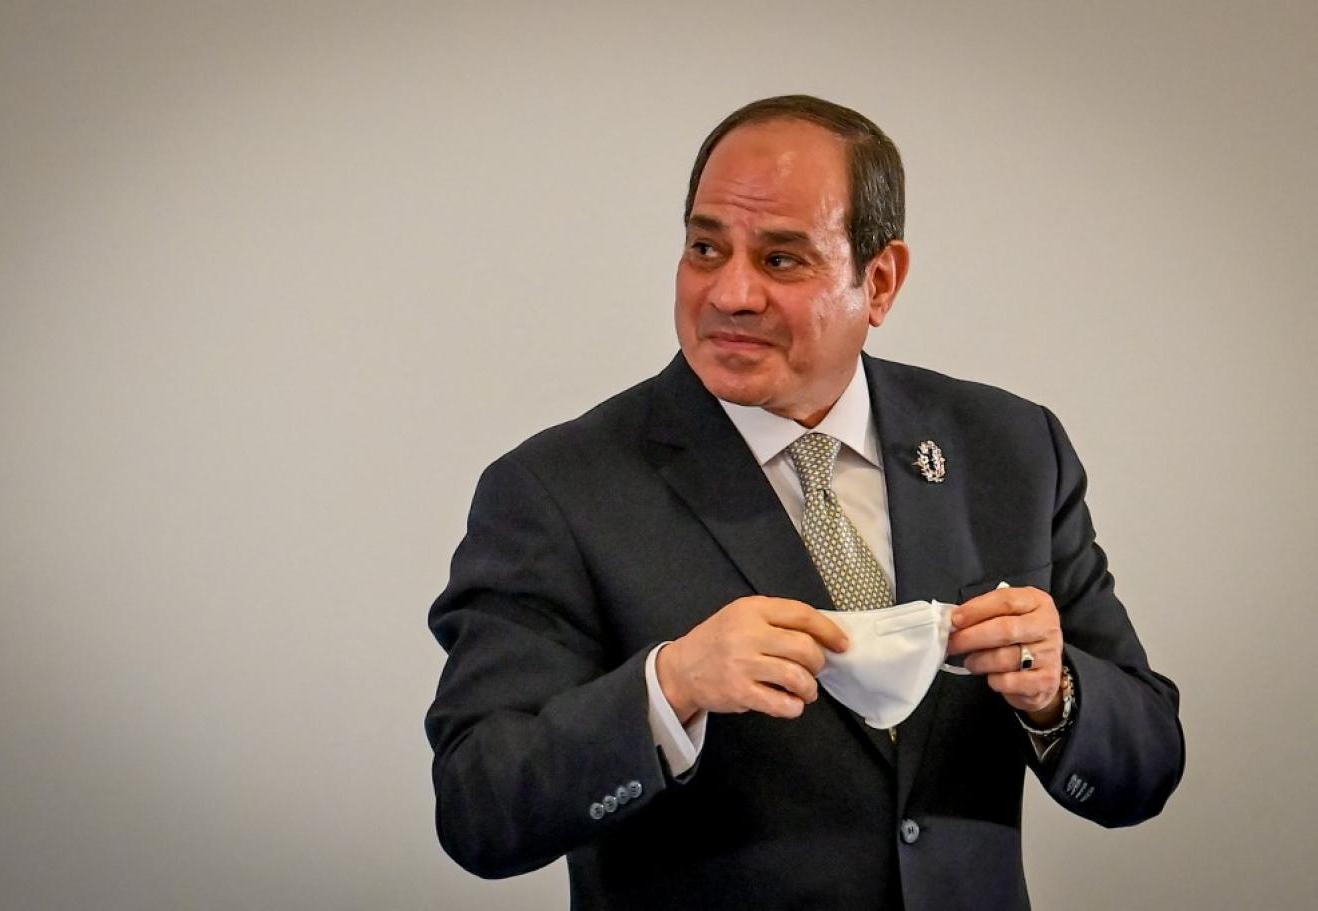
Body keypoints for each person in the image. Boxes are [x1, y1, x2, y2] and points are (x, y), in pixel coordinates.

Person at [424, 95, 1184, 910]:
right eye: (706, 248)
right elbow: (480, 808)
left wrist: (1056, 692)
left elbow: (1147, 764)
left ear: (879, 281)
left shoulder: (1011, 448)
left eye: (781, 259)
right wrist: (670, 686)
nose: (731, 292)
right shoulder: (556, 489)